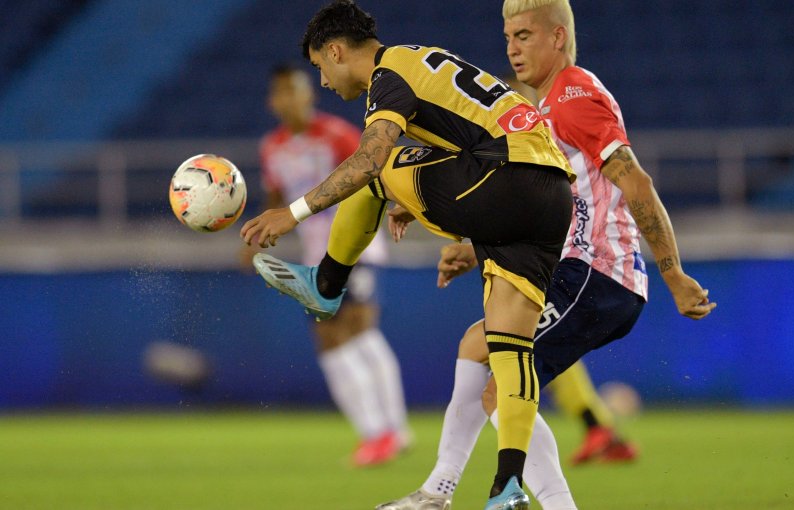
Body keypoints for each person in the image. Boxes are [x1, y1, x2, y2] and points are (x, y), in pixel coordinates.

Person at [376, 0, 716, 508]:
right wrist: (472, 248)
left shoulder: (576, 95)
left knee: (500, 392)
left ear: (558, 38)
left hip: (601, 276)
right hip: (580, 272)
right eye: (508, 38)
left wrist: (675, 274)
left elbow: (637, 183)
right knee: (476, 346)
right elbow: (553, 207)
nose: (512, 49)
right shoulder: (543, 110)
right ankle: (437, 491)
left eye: (525, 36)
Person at [239, 1, 576, 508]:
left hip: (502, 179)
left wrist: (294, 213)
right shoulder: (426, 59)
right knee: (508, 347)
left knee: (375, 165)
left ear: (334, 51)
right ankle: (507, 487)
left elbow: (371, 158)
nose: (325, 83)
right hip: (551, 196)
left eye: (320, 68)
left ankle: (327, 284)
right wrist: (412, 197)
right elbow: (463, 133)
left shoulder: (389, 72)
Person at [242, 63, 411, 466]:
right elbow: (275, 198)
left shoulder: (336, 135)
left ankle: (393, 431)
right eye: (280, 92)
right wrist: (256, 239)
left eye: (294, 90)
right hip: (315, 257)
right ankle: (373, 432)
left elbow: (376, 168)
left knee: (357, 329)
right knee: (329, 342)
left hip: (357, 248)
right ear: (272, 102)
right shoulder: (272, 148)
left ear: (309, 95)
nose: (288, 99)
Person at [503, 73, 639, 466]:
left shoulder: (549, 137)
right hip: (563, 260)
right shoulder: (538, 142)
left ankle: (590, 431)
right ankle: (599, 426)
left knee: (513, 357)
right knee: (537, 349)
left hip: (575, 263)